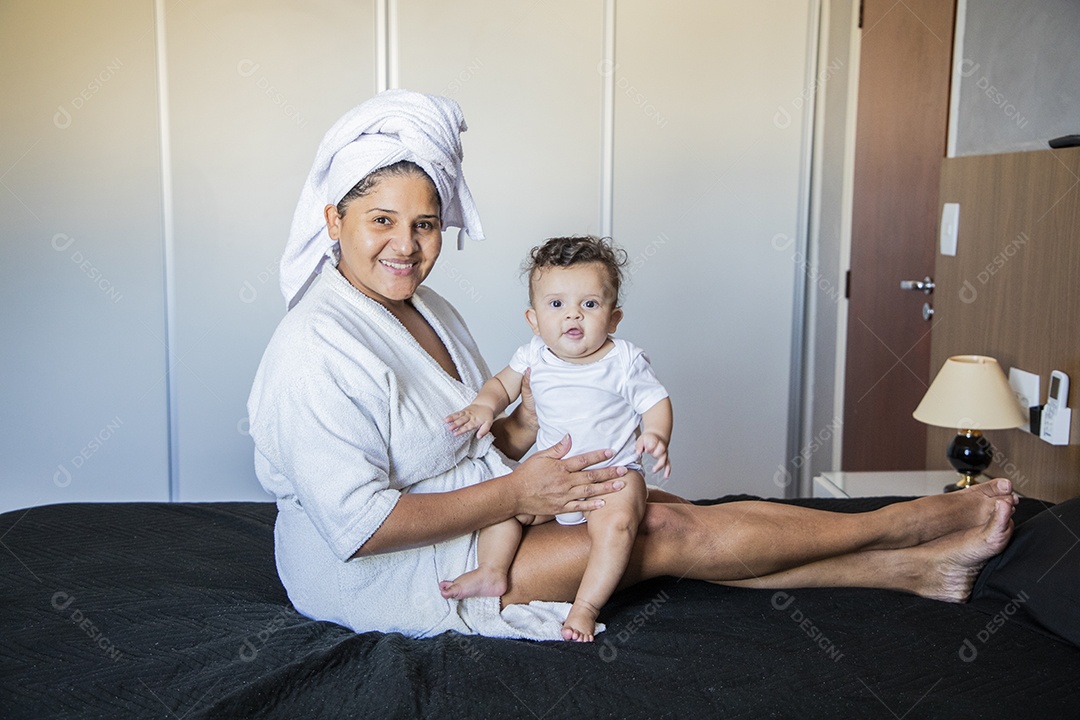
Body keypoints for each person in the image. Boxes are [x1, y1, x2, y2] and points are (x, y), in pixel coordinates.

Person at [247, 89, 1017, 642]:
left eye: (423, 223)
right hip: (396, 574)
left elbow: (481, 434)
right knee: (659, 527)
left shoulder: (426, 308)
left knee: (654, 501)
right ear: (332, 221)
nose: (406, 246)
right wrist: (518, 488)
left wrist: (540, 432)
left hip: (489, 509)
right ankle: (907, 523)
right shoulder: (314, 348)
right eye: (380, 221)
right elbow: (361, 528)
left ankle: (907, 572)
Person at [441, 235, 673, 641]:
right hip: (553, 477)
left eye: (589, 305)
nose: (573, 317)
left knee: (617, 527)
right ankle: (493, 572)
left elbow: (656, 401)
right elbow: (501, 385)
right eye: (556, 305)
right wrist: (484, 406)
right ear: (533, 319)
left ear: (614, 318)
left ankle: (584, 607)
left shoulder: (624, 361)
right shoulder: (533, 355)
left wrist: (656, 433)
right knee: (504, 502)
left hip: (612, 476)